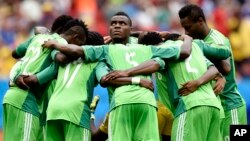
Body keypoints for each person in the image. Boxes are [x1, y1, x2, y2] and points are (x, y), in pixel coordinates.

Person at [42, 11, 194, 141]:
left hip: (122, 103)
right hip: (147, 103)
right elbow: (183, 52)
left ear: (130, 28)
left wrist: (56, 44)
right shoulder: (145, 49)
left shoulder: (106, 51)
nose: (116, 26)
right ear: (108, 28)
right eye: (113, 23)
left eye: (122, 23)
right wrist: (187, 38)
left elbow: (102, 76)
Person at [104, 32, 231, 141]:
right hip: (214, 107)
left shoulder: (164, 54)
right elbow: (214, 69)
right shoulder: (193, 47)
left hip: (189, 106)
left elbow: (154, 64)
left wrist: (128, 72)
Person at [3, 17, 86, 141]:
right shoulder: (60, 44)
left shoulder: (38, 38)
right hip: (26, 98)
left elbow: (16, 52)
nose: (79, 49)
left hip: (10, 97)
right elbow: (60, 59)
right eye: (81, 44)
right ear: (75, 37)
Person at [178, 4, 247, 140]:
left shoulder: (217, 39)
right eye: (184, 28)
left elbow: (226, 67)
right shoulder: (198, 41)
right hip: (216, 108)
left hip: (231, 106)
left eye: (188, 27)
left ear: (200, 21)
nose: (186, 32)